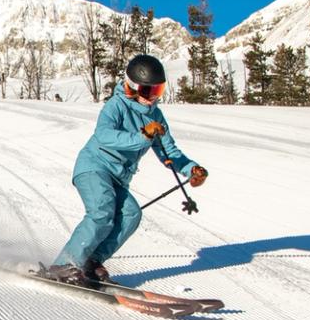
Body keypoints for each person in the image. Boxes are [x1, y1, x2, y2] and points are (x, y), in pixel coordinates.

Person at [45, 54, 206, 285]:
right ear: (131, 87)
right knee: (102, 211)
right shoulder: (116, 105)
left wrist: (191, 170)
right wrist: (142, 136)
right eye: (148, 91)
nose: (152, 98)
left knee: (131, 213)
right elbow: (104, 135)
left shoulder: (156, 116)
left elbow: (169, 151)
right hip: (94, 167)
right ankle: (64, 264)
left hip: (119, 177)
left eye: (158, 91)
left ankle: (91, 262)